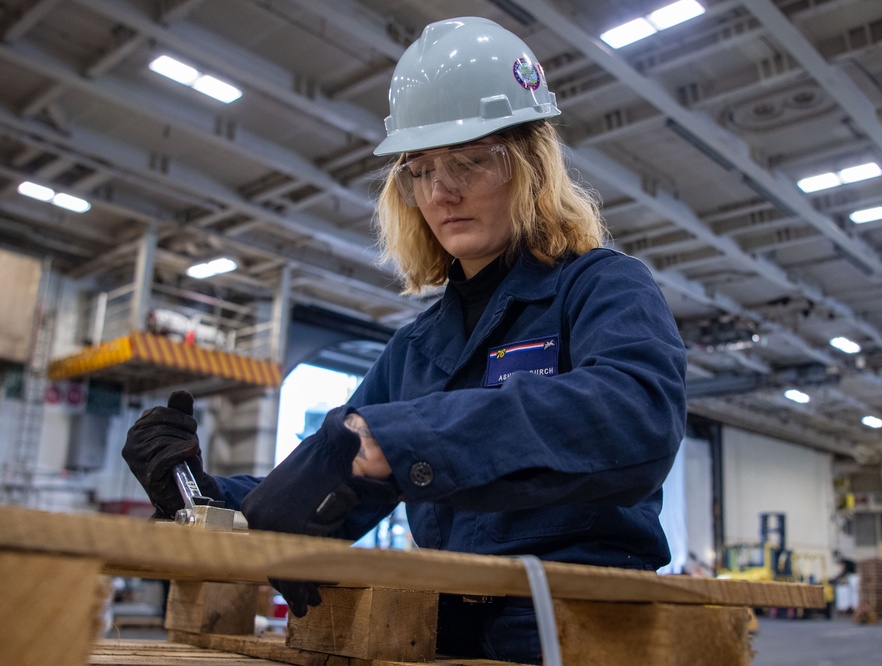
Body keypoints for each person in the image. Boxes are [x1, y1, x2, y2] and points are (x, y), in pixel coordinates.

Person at [123, 16, 686, 664]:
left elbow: (635, 416)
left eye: (470, 162)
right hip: (439, 626)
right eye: (419, 171)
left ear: (530, 165)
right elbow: (322, 489)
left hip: (578, 627)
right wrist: (200, 493)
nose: (440, 193)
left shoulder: (601, 287)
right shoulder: (418, 350)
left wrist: (393, 438)